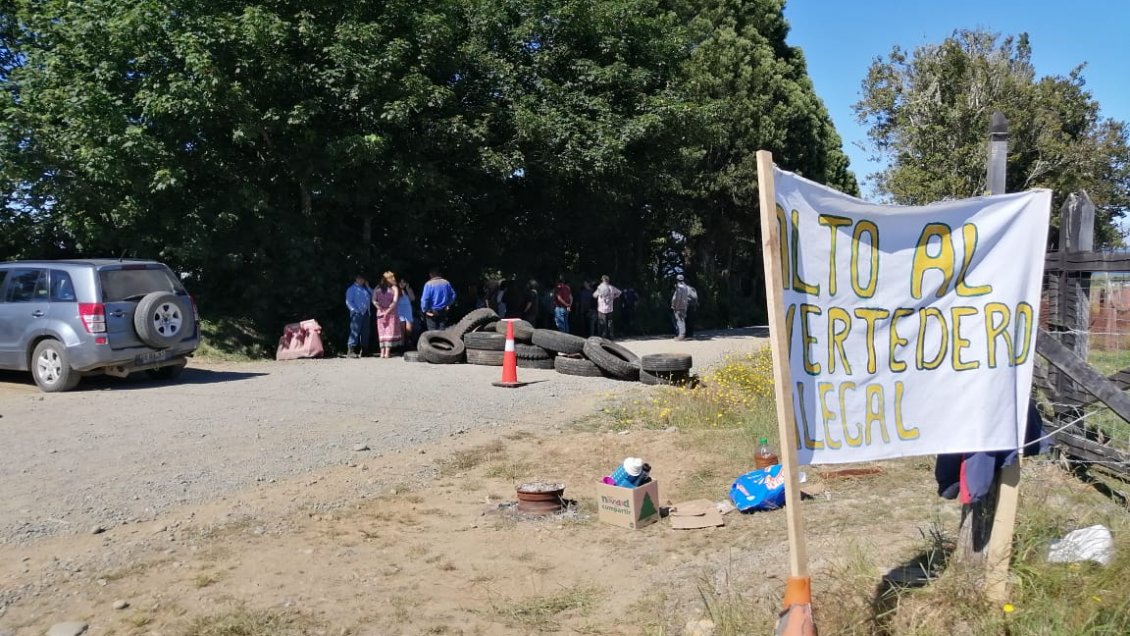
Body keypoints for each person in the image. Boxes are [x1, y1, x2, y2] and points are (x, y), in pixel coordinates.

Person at [372, 271, 403, 358]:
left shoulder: (377, 287)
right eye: (392, 277)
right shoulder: (394, 288)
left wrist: (380, 309)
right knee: (389, 332)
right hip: (391, 313)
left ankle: (382, 353)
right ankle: (386, 353)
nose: (394, 279)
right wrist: (387, 311)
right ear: (387, 278)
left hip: (380, 312)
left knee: (382, 332)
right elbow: (394, 302)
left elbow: (374, 300)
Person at [344, 273, 372, 358]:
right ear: (356, 279)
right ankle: (351, 351)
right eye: (359, 278)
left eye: (363, 278)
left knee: (365, 332)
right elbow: (349, 302)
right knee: (355, 331)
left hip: (366, 313)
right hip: (357, 314)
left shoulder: (365, 289)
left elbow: (374, 295)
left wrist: (368, 287)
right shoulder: (351, 289)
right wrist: (355, 311)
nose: (361, 280)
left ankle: (365, 351)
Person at [420, 267, 456, 331]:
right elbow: (453, 295)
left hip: (432, 311)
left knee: (432, 332)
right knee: (442, 330)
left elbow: (424, 299)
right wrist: (448, 304)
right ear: (439, 274)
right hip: (443, 310)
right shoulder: (446, 283)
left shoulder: (429, 284)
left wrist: (425, 310)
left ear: (430, 274)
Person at [594, 275, 621, 339]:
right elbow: (619, 292)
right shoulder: (612, 288)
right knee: (610, 322)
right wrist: (614, 297)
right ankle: (611, 335)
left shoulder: (600, 288)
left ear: (603, 280)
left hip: (601, 309)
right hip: (610, 308)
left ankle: (603, 336)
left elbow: (595, 295)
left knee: (602, 323)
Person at [397, 277, 417, 348]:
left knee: (409, 328)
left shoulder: (408, 289)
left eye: (404, 282)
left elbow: (413, 298)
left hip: (408, 310)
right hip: (399, 310)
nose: (402, 284)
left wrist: (408, 289)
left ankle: (408, 342)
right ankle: (402, 345)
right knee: (401, 329)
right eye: (401, 282)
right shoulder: (396, 290)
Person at [671, 274, 690, 341]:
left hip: (679, 306)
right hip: (684, 306)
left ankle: (680, 336)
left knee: (679, 321)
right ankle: (682, 335)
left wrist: (675, 306)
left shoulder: (679, 287)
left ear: (677, 280)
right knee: (682, 321)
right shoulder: (686, 287)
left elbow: (677, 298)